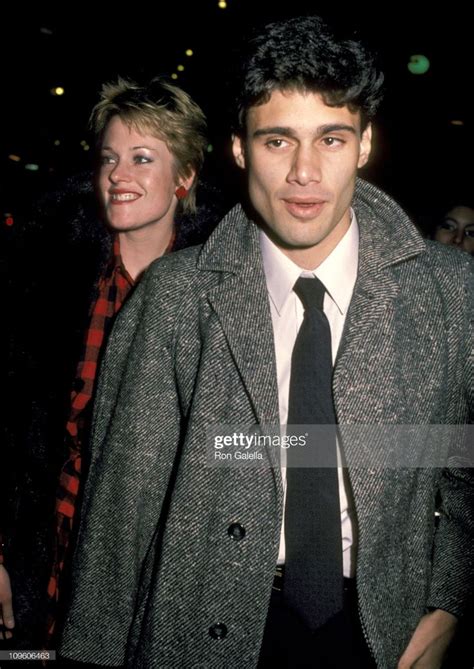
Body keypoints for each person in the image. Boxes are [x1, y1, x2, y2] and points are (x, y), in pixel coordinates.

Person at [60, 16, 473, 669]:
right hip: (202, 633)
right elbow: (119, 514)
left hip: (383, 633)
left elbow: (461, 468)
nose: (305, 172)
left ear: (364, 146)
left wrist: (448, 600)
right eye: (278, 140)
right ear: (239, 148)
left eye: (331, 139)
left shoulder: (451, 294)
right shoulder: (174, 299)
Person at [0, 76, 219, 649]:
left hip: (156, 581)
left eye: (142, 159)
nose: (118, 175)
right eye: (109, 159)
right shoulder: (46, 282)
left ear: (185, 177)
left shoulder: (220, 299)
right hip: (42, 565)